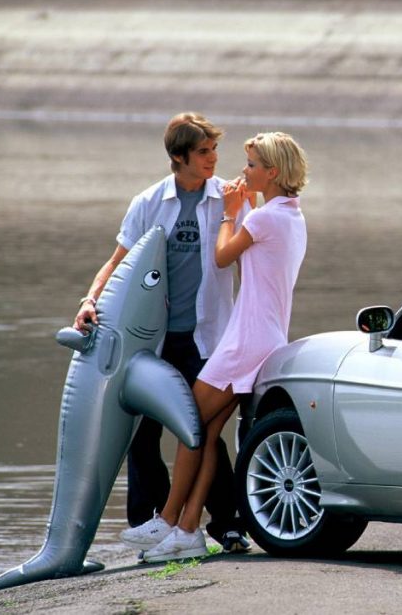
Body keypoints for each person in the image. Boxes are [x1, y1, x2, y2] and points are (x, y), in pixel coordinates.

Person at [121, 131, 309, 561]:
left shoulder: (261, 219)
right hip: (264, 335)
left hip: (244, 341)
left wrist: (229, 214)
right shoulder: (289, 215)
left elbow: (222, 256)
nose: (243, 171)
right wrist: (246, 209)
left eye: (251, 165)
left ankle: (168, 520)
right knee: (204, 432)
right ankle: (186, 531)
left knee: (189, 423)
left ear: (272, 172)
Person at [76, 112, 250, 553]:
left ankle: (227, 525)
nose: (213, 159)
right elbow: (117, 262)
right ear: (179, 156)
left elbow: (250, 265)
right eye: (204, 151)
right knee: (143, 433)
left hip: (208, 335)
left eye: (215, 150)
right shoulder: (149, 202)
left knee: (200, 427)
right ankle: (150, 523)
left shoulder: (229, 199)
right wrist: (89, 301)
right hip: (150, 338)